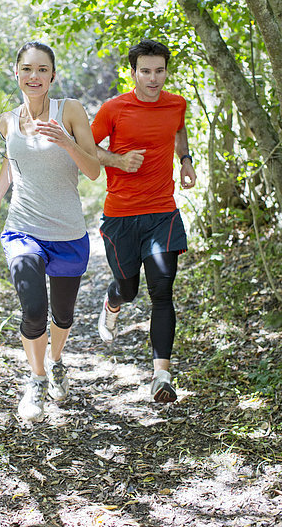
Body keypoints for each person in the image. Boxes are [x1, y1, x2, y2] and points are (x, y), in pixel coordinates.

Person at [0, 42, 100, 422]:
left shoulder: (70, 111)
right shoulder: (6, 119)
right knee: (34, 309)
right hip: (23, 229)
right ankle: (35, 380)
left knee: (62, 316)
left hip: (68, 232)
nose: (34, 76)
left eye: (42, 69)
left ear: (53, 75)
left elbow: (93, 170)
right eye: (27, 69)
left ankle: (55, 363)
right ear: (15, 72)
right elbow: (11, 161)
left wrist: (66, 141)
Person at [91, 39, 196, 403]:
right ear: (133, 72)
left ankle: (161, 376)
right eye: (146, 72)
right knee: (129, 288)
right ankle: (112, 300)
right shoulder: (114, 109)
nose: (154, 79)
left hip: (162, 211)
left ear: (166, 70)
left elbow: (179, 130)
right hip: (121, 216)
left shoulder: (176, 104)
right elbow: (84, 149)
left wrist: (186, 161)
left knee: (162, 292)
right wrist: (118, 161)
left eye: (159, 71)